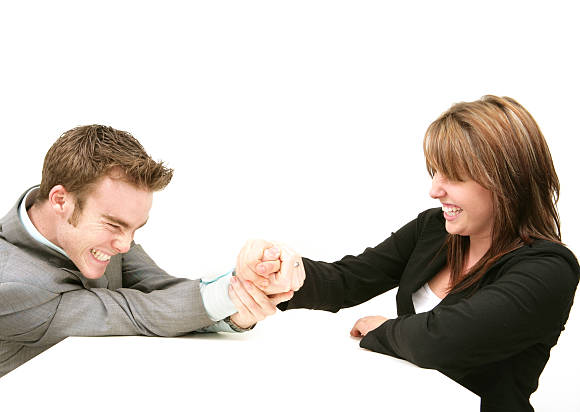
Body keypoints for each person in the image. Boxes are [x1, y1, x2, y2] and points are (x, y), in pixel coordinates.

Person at [239, 95, 579, 411]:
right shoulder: (434, 229)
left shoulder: (549, 270)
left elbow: (442, 341)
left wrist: (384, 329)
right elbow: (349, 279)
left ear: (508, 181)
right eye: (434, 172)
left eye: (455, 176)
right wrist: (283, 270)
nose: (435, 190)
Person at [0, 125, 293, 412]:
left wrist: (242, 300)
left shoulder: (98, 224)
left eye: (135, 229)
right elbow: (138, 311)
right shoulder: (3, 287)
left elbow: (162, 291)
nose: (125, 245)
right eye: (115, 225)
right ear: (60, 201)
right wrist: (233, 293)